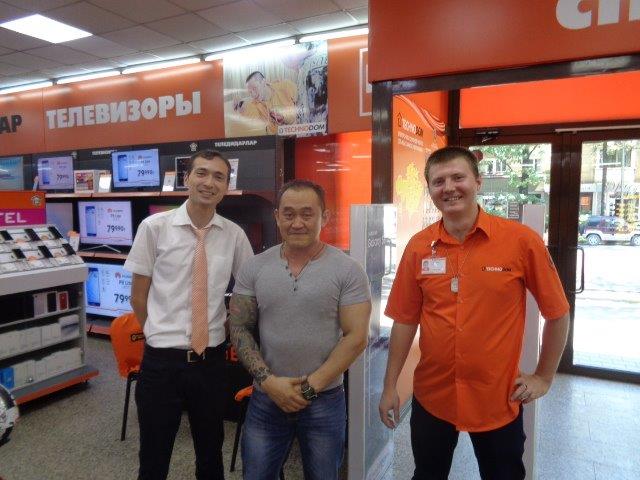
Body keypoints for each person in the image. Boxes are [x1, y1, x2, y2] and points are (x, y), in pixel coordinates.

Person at [379, 146, 570, 480]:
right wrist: (390, 385)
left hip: (497, 398)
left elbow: (557, 313)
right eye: (438, 181)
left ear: (478, 182)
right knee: (427, 474)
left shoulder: (520, 241)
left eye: (458, 177)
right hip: (433, 396)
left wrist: (543, 377)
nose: (449, 188)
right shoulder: (419, 247)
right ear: (430, 190)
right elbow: (405, 320)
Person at [229, 179, 371, 480]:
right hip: (266, 397)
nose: (297, 223)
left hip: (325, 399)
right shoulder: (254, 267)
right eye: (289, 214)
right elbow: (239, 327)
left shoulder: (348, 270)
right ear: (277, 216)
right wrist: (269, 383)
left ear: (324, 217)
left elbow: (357, 337)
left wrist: (310, 388)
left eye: (307, 214)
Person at [125, 149, 253, 480]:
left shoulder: (234, 235)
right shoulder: (154, 227)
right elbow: (138, 296)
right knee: (153, 460)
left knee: (211, 456)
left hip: (210, 362)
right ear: (187, 179)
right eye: (202, 173)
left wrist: (230, 323)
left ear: (226, 186)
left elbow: (248, 290)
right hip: (161, 363)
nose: (209, 182)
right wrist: (158, 333)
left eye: (219, 177)